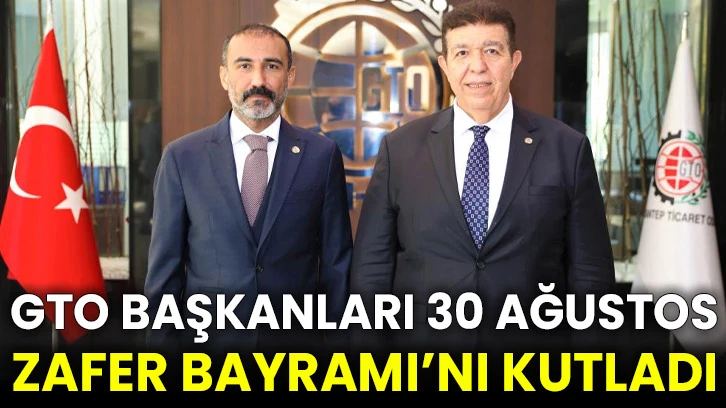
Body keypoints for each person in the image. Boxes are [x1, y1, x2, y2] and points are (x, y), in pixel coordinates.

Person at [350, 0, 616, 353]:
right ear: (445, 65)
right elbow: (371, 269)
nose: (477, 66)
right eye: (462, 52)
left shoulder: (566, 148)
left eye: (492, 50)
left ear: (514, 61)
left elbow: (591, 273)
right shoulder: (400, 149)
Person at [145, 23, 353, 354]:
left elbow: (336, 267)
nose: (258, 80)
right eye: (244, 66)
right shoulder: (183, 157)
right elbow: (164, 275)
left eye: (272, 66)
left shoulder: (322, 156)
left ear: (290, 76)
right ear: (224, 76)